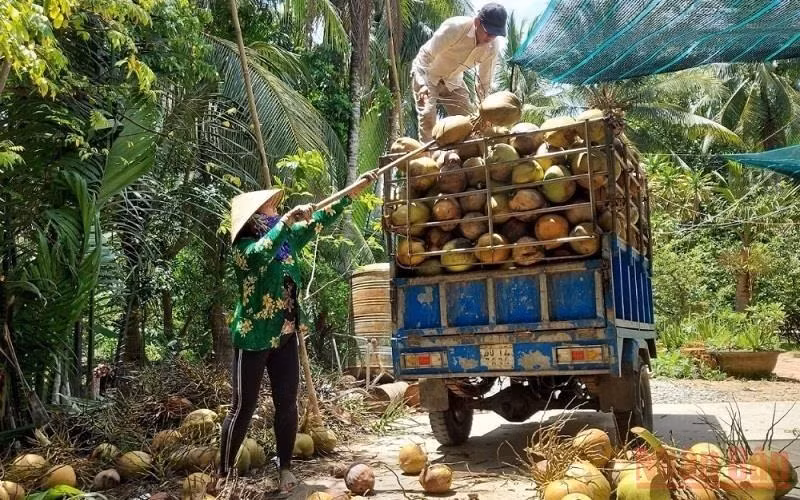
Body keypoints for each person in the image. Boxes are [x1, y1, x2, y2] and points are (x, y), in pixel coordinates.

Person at [216, 172, 376, 494]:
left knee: (287, 403)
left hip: (285, 334)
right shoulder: (243, 249)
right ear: (254, 218)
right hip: (253, 338)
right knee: (243, 406)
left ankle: (285, 467)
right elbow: (260, 254)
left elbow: (320, 220)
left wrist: (353, 192)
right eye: (270, 207)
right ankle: (223, 471)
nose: (276, 208)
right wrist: (286, 222)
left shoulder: (287, 240)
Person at [411, 2, 507, 143]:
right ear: (477, 22)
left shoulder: (492, 47)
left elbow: (484, 83)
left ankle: (465, 157)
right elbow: (424, 56)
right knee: (428, 119)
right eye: (488, 31)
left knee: (469, 121)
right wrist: (421, 83)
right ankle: (428, 161)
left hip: (454, 81)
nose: (490, 37)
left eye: (495, 34)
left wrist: (485, 111)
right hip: (428, 76)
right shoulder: (455, 28)